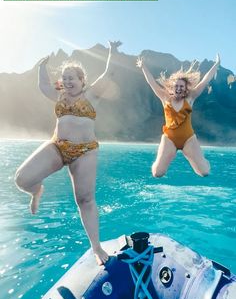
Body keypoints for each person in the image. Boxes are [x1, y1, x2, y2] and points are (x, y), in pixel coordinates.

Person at [15, 41, 121, 265]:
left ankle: (96, 247)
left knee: (84, 199)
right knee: (22, 179)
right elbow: (44, 86)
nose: (68, 80)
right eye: (65, 77)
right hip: (57, 146)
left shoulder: (92, 95)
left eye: (72, 77)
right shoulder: (59, 97)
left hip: (84, 151)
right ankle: (37, 191)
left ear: (83, 81)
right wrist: (42, 67)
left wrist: (112, 51)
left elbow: (108, 72)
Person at [136, 54, 220, 177]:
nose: (179, 88)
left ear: (186, 88)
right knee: (157, 173)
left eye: (181, 86)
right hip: (169, 139)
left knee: (204, 172)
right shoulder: (164, 97)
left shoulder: (191, 97)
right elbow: (151, 83)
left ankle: (203, 161)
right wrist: (143, 67)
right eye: (176, 86)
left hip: (188, 139)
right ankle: (164, 158)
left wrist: (216, 65)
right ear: (172, 87)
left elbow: (205, 81)